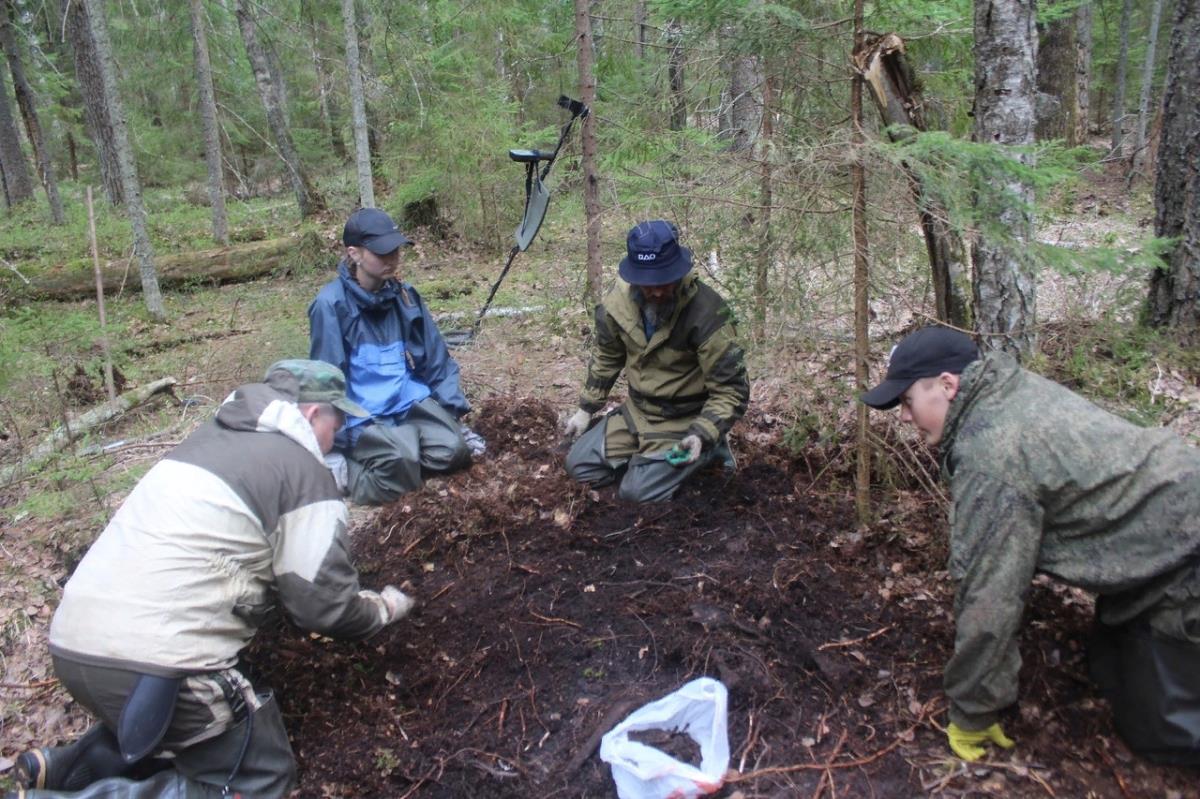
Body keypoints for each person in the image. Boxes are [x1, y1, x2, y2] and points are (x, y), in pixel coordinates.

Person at [9, 360, 415, 799]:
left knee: (188, 732)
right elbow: (325, 608)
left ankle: (72, 766)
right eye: (337, 424)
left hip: (75, 646)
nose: (336, 439)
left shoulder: (202, 443)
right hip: (153, 667)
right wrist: (385, 607)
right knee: (260, 782)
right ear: (314, 414)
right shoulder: (302, 474)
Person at [860, 326, 1200, 765]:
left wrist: (972, 712)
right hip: (1157, 529)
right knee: (1111, 667)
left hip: (1184, 548)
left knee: (1165, 735)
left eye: (906, 401)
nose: (904, 417)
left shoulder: (993, 454)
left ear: (947, 385)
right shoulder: (1004, 390)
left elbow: (990, 595)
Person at [563, 220, 750, 502]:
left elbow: (732, 389)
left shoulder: (708, 313)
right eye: (649, 283)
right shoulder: (617, 306)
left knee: (635, 493)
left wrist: (702, 433)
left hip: (684, 419)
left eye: (665, 280)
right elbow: (607, 357)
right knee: (578, 466)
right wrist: (586, 409)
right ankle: (647, 461)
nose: (658, 291)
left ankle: (710, 451)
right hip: (637, 413)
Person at [309, 208, 483, 506]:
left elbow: (436, 360)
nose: (392, 258)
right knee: (402, 461)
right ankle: (352, 472)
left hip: (405, 403)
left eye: (396, 250)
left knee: (453, 451)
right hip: (361, 415)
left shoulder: (405, 296)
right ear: (355, 253)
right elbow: (326, 380)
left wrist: (454, 417)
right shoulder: (330, 305)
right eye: (382, 252)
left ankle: (401, 455)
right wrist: (329, 444)